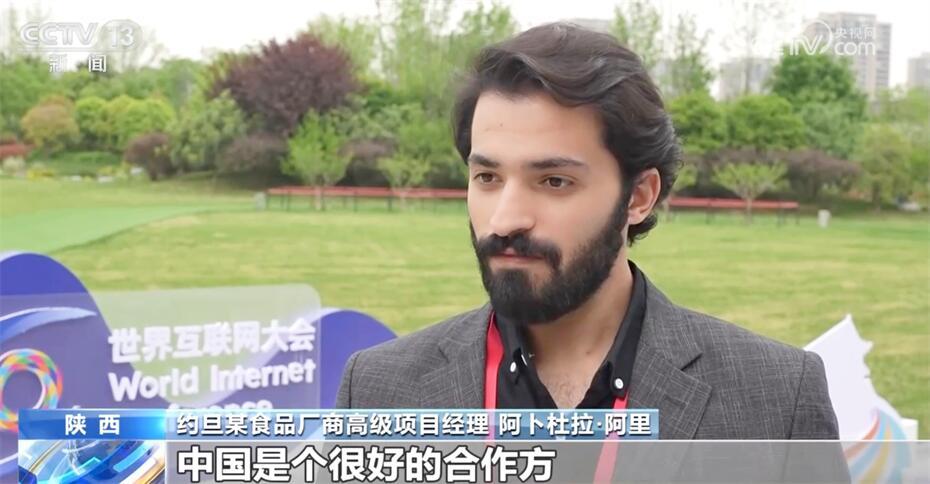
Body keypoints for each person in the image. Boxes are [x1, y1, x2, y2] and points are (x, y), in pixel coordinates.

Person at [336, 22, 839, 440]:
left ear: (638, 197)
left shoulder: (778, 398)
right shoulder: (377, 391)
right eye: (487, 177)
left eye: (554, 181)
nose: (505, 219)